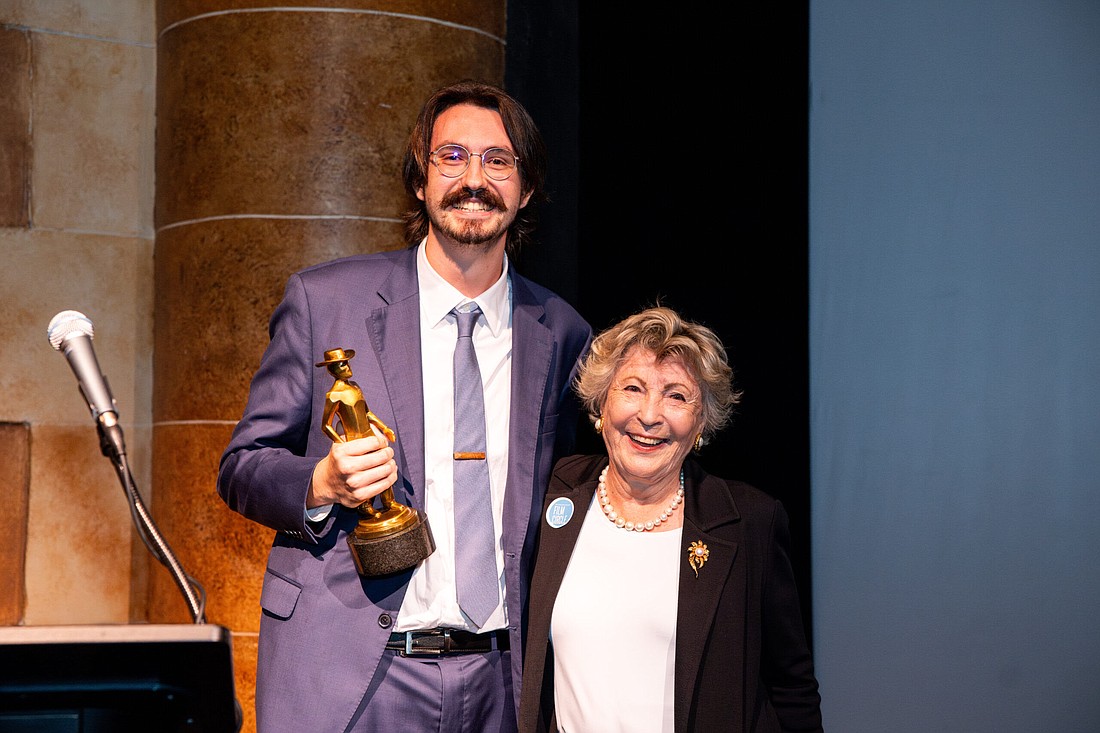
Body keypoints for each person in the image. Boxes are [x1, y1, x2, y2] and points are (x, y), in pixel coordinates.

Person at [217, 79, 592, 733]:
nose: (474, 178)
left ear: (525, 190)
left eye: (498, 160)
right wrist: (319, 482)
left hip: (500, 683)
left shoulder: (562, 332)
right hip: (352, 674)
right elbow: (242, 465)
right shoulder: (324, 300)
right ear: (419, 179)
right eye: (452, 156)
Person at [517, 306, 823, 733]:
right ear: (601, 404)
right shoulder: (553, 494)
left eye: (676, 396)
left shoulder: (750, 522)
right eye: (633, 389)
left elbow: (792, 688)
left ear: (701, 423)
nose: (649, 415)